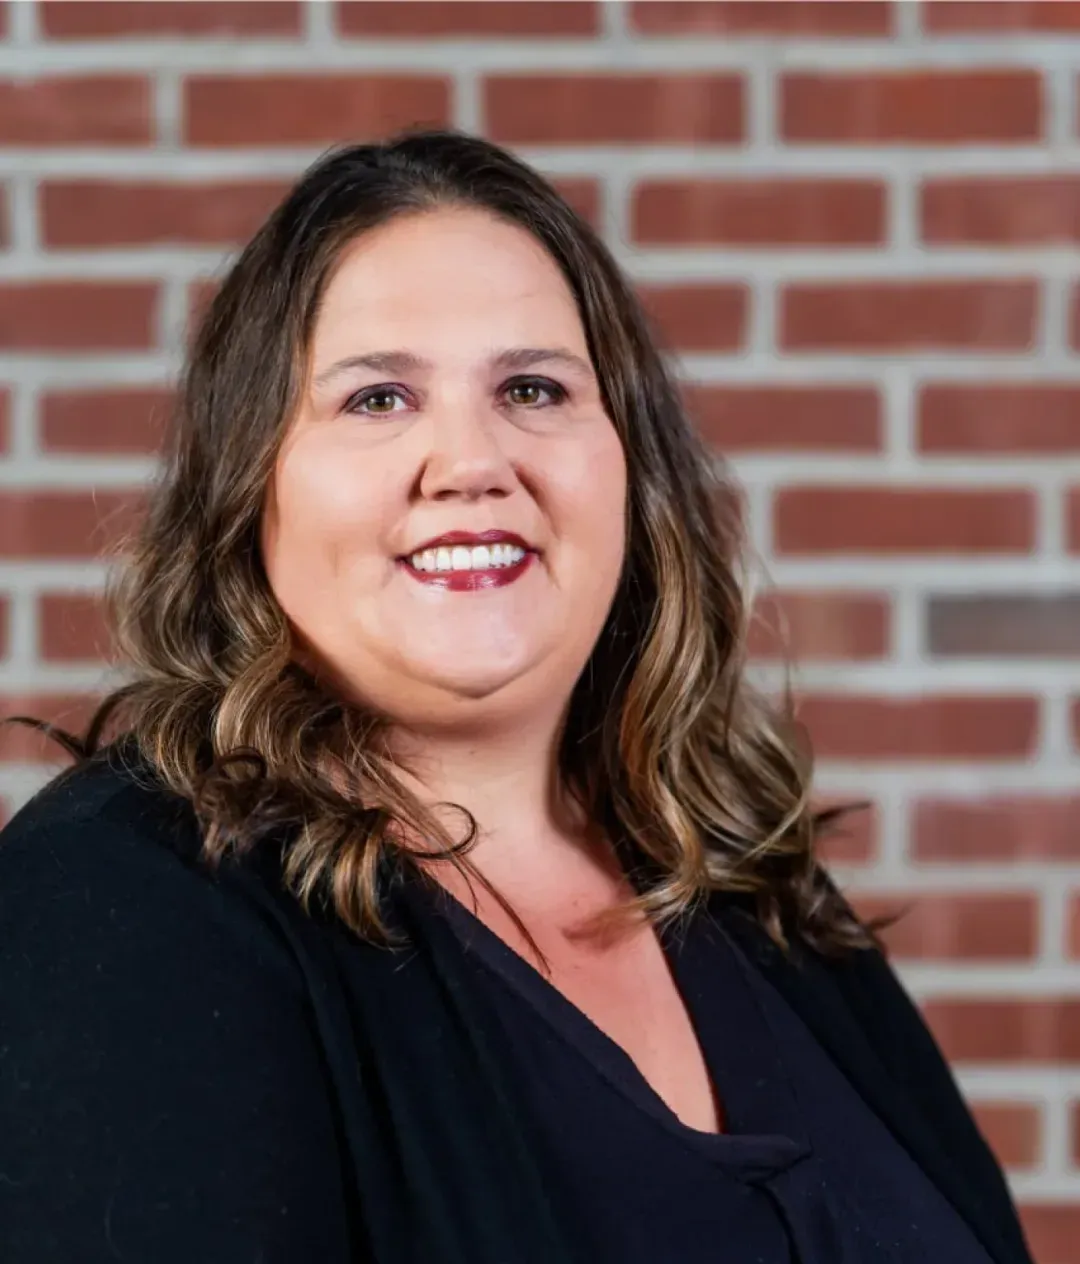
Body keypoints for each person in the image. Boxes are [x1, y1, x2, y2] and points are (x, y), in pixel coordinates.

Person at [0, 129, 1033, 1264]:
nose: (471, 460)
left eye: (533, 387)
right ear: (252, 490)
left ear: (632, 468)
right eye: (379, 397)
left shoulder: (749, 889)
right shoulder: (121, 910)